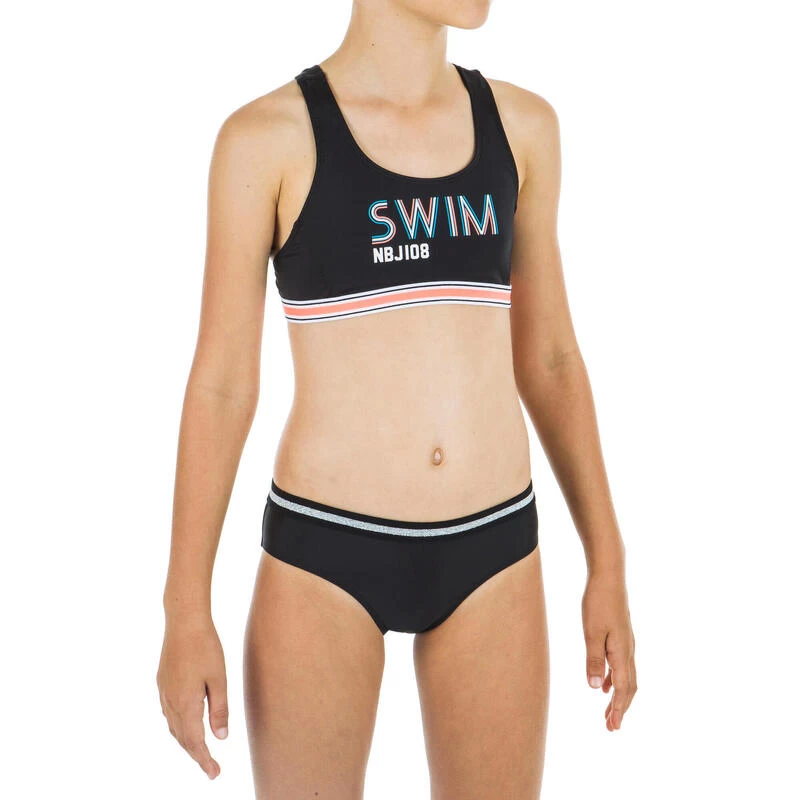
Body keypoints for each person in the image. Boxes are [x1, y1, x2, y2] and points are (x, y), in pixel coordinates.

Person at [156, 0, 637, 796]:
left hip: (494, 551)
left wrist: (608, 562)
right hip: (324, 556)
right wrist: (185, 609)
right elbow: (222, 386)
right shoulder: (267, 140)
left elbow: (551, 359)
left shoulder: (523, 129)